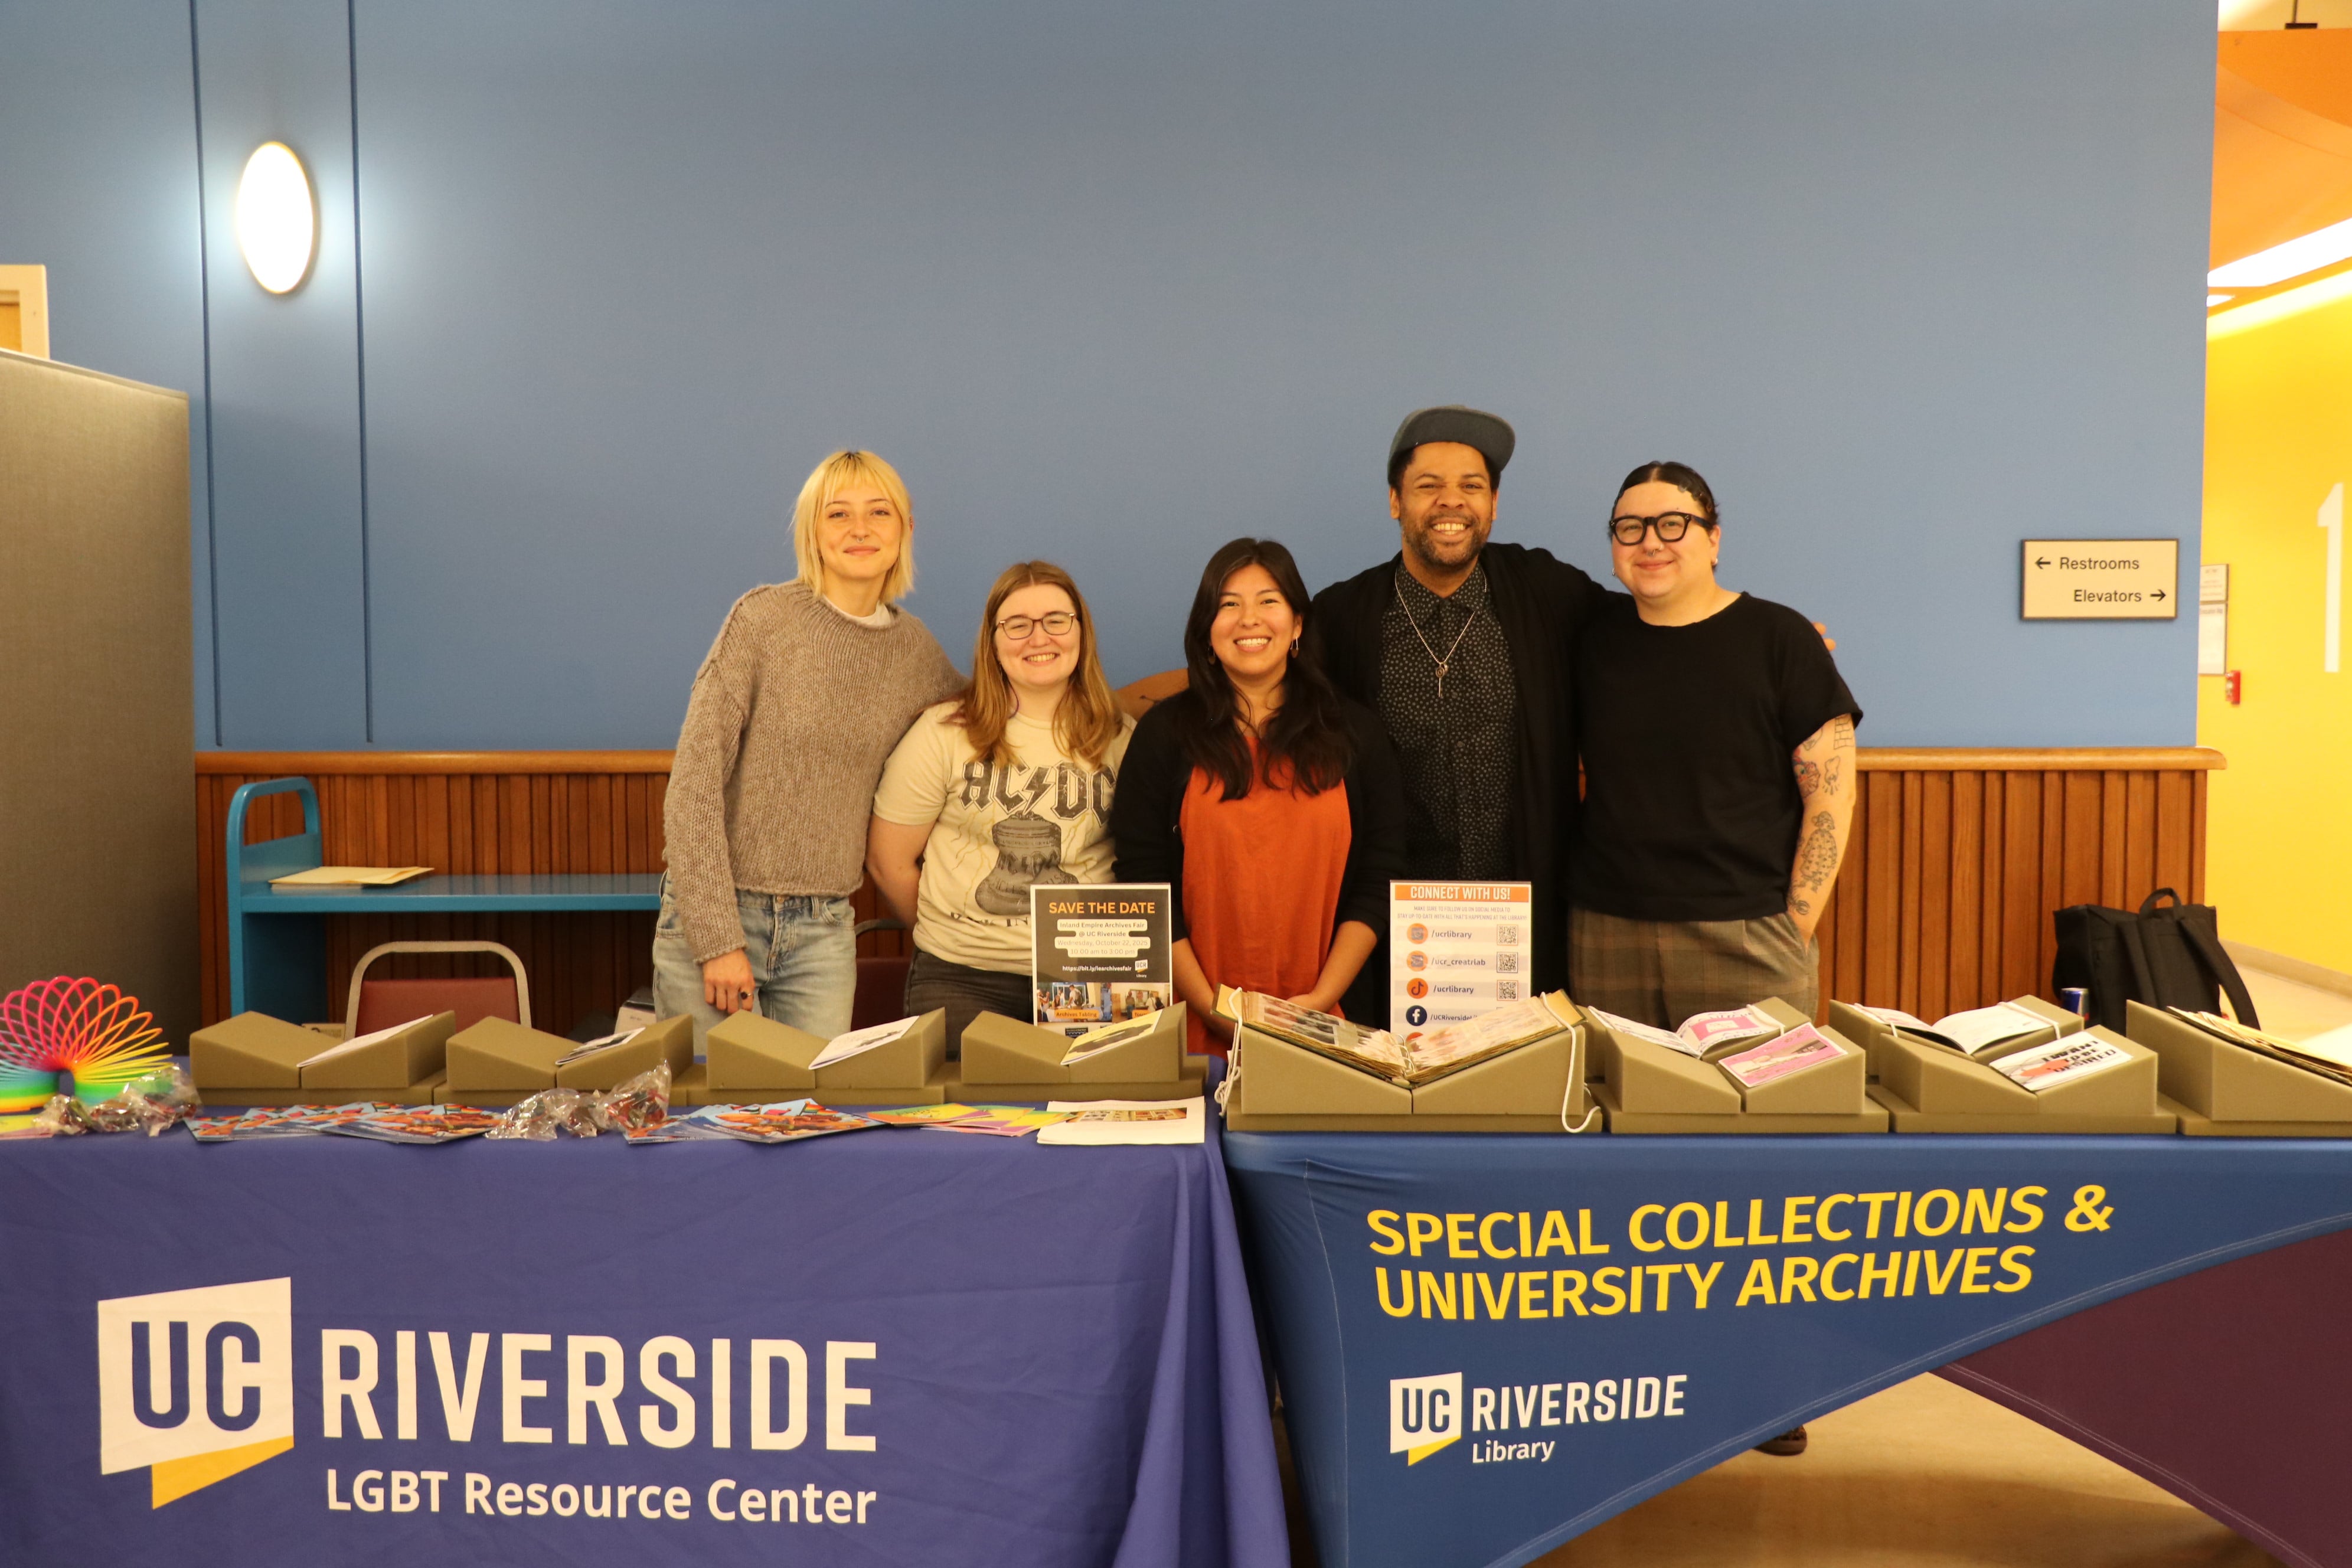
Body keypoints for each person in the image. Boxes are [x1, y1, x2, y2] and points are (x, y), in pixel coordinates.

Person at [1307, 406, 1605, 1025]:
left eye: (1472, 485)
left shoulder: (1548, 594)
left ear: (1493, 504)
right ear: (1395, 501)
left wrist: (1756, 643)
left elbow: (1648, 639)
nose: (1452, 501)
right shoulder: (1341, 619)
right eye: (1429, 485)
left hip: (1527, 929)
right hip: (1392, 933)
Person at [655, 449, 962, 1046]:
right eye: (838, 514)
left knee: (808, 1102)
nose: (860, 529)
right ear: (812, 532)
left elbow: (989, 712)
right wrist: (718, 941)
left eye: (879, 512)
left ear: (906, 528)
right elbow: (693, 788)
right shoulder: (761, 620)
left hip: (824, 931)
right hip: (722, 914)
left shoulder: (915, 651)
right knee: (714, 1103)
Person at [1569, 459, 1860, 1028]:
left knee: (1758, 1089)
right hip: (1606, 930)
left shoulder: (1781, 637)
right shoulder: (1588, 640)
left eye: (1672, 524)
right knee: (1619, 1087)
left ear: (1713, 539)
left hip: (1749, 934)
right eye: (1630, 528)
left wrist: (1795, 925)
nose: (1651, 542)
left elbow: (1831, 795)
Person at [1112, 538, 1405, 1055]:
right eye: (1229, 604)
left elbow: (1380, 874)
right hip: (1192, 1027)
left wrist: (1319, 1002)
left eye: (1269, 600)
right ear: (1207, 631)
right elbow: (1144, 882)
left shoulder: (1355, 733)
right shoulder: (1163, 734)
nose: (1249, 618)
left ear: (1297, 625)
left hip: (1331, 1023)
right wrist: (1212, 1009)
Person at [867, 561, 1133, 1049]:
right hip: (963, 977)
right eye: (1017, 625)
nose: (1039, 638)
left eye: (1056, 620)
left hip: (1084, 971)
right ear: (993, 641)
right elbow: (889, 861)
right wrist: (955, 934)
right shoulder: (943, 733)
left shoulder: (1121, 738)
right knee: (968, 1100)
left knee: (1093, 1097)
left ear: (1081, 631)